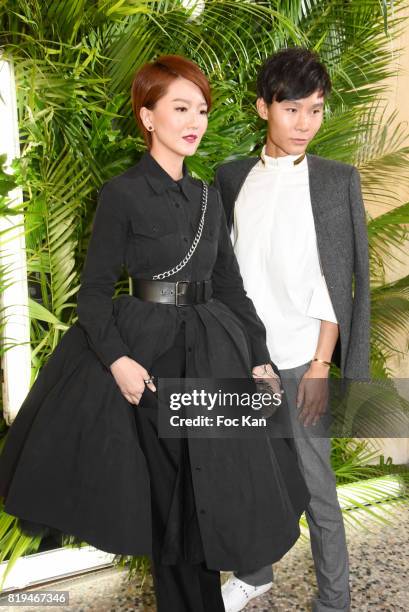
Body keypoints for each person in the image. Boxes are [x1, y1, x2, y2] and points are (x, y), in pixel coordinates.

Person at [0, 55, 311, 611]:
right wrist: (118, 361)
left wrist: (260, 357)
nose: (195, 121)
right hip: (149, 361)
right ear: (148, 117)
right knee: (172, 504)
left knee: (203, 501)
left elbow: (231, 288)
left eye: (202, 110)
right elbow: (94, 294)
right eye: (181, 107)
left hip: (212, 354)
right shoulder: (122, 195)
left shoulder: (209, 197)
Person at [215, 47, 370, 612]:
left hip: (304, 358)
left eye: (317, 110)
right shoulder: (231, 179)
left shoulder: (335, 182)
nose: (305, 123)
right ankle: (254, 574)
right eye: (293, 109)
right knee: (249, 476)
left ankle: (336, 601)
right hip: (247, 360)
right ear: (263, 108)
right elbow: (226, 271)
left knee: (316, 489)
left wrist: (319, 365)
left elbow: (340, 277)